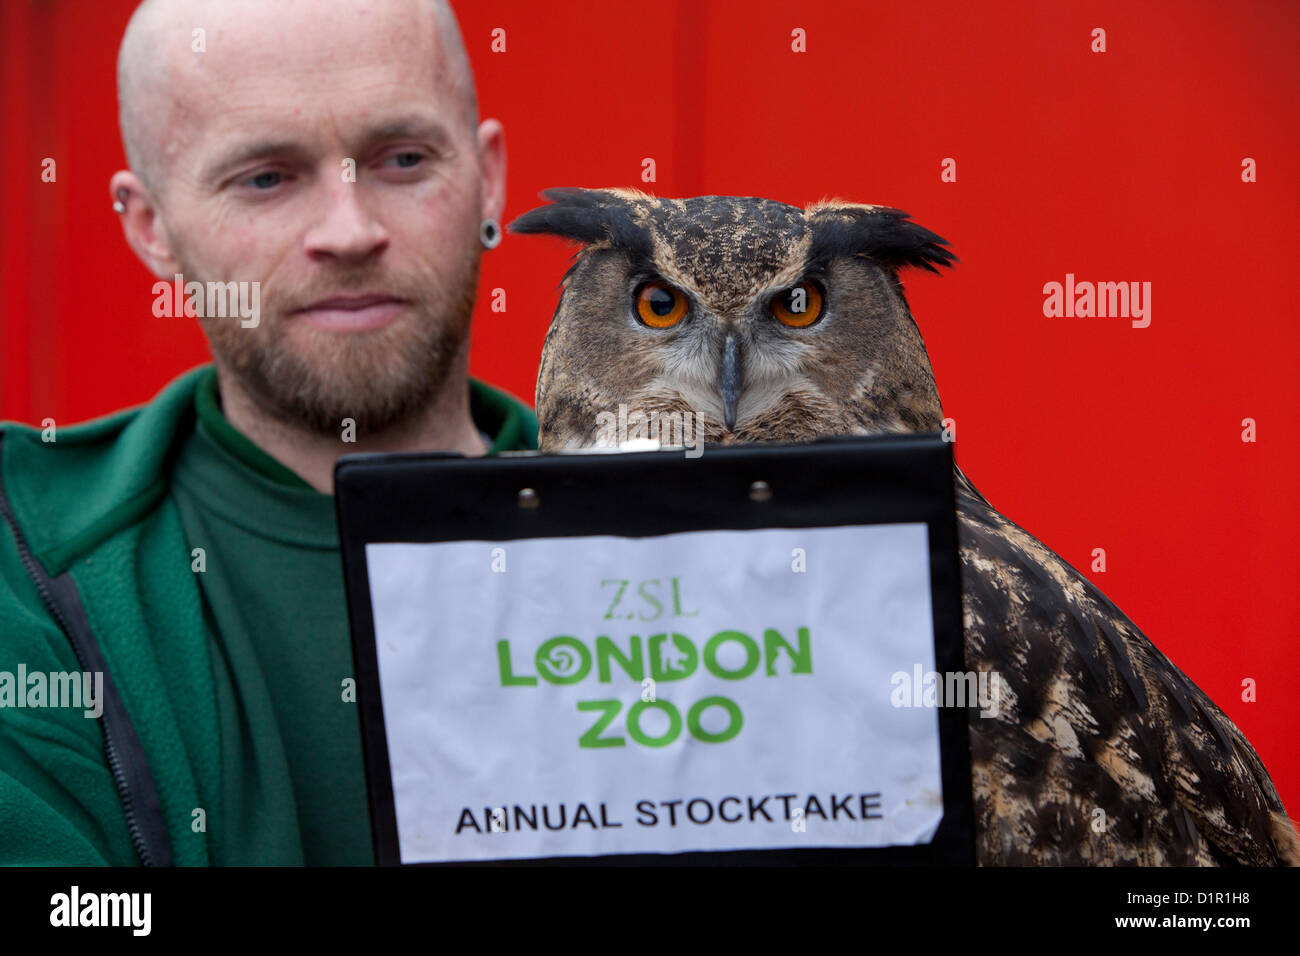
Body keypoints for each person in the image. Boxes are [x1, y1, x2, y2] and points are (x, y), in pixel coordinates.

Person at [0, 0, 534, 865]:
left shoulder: (690, 534)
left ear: (488, 177)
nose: (351, 231)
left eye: (402, 159)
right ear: (152, 228)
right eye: (266, 178)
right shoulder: (25, 568)